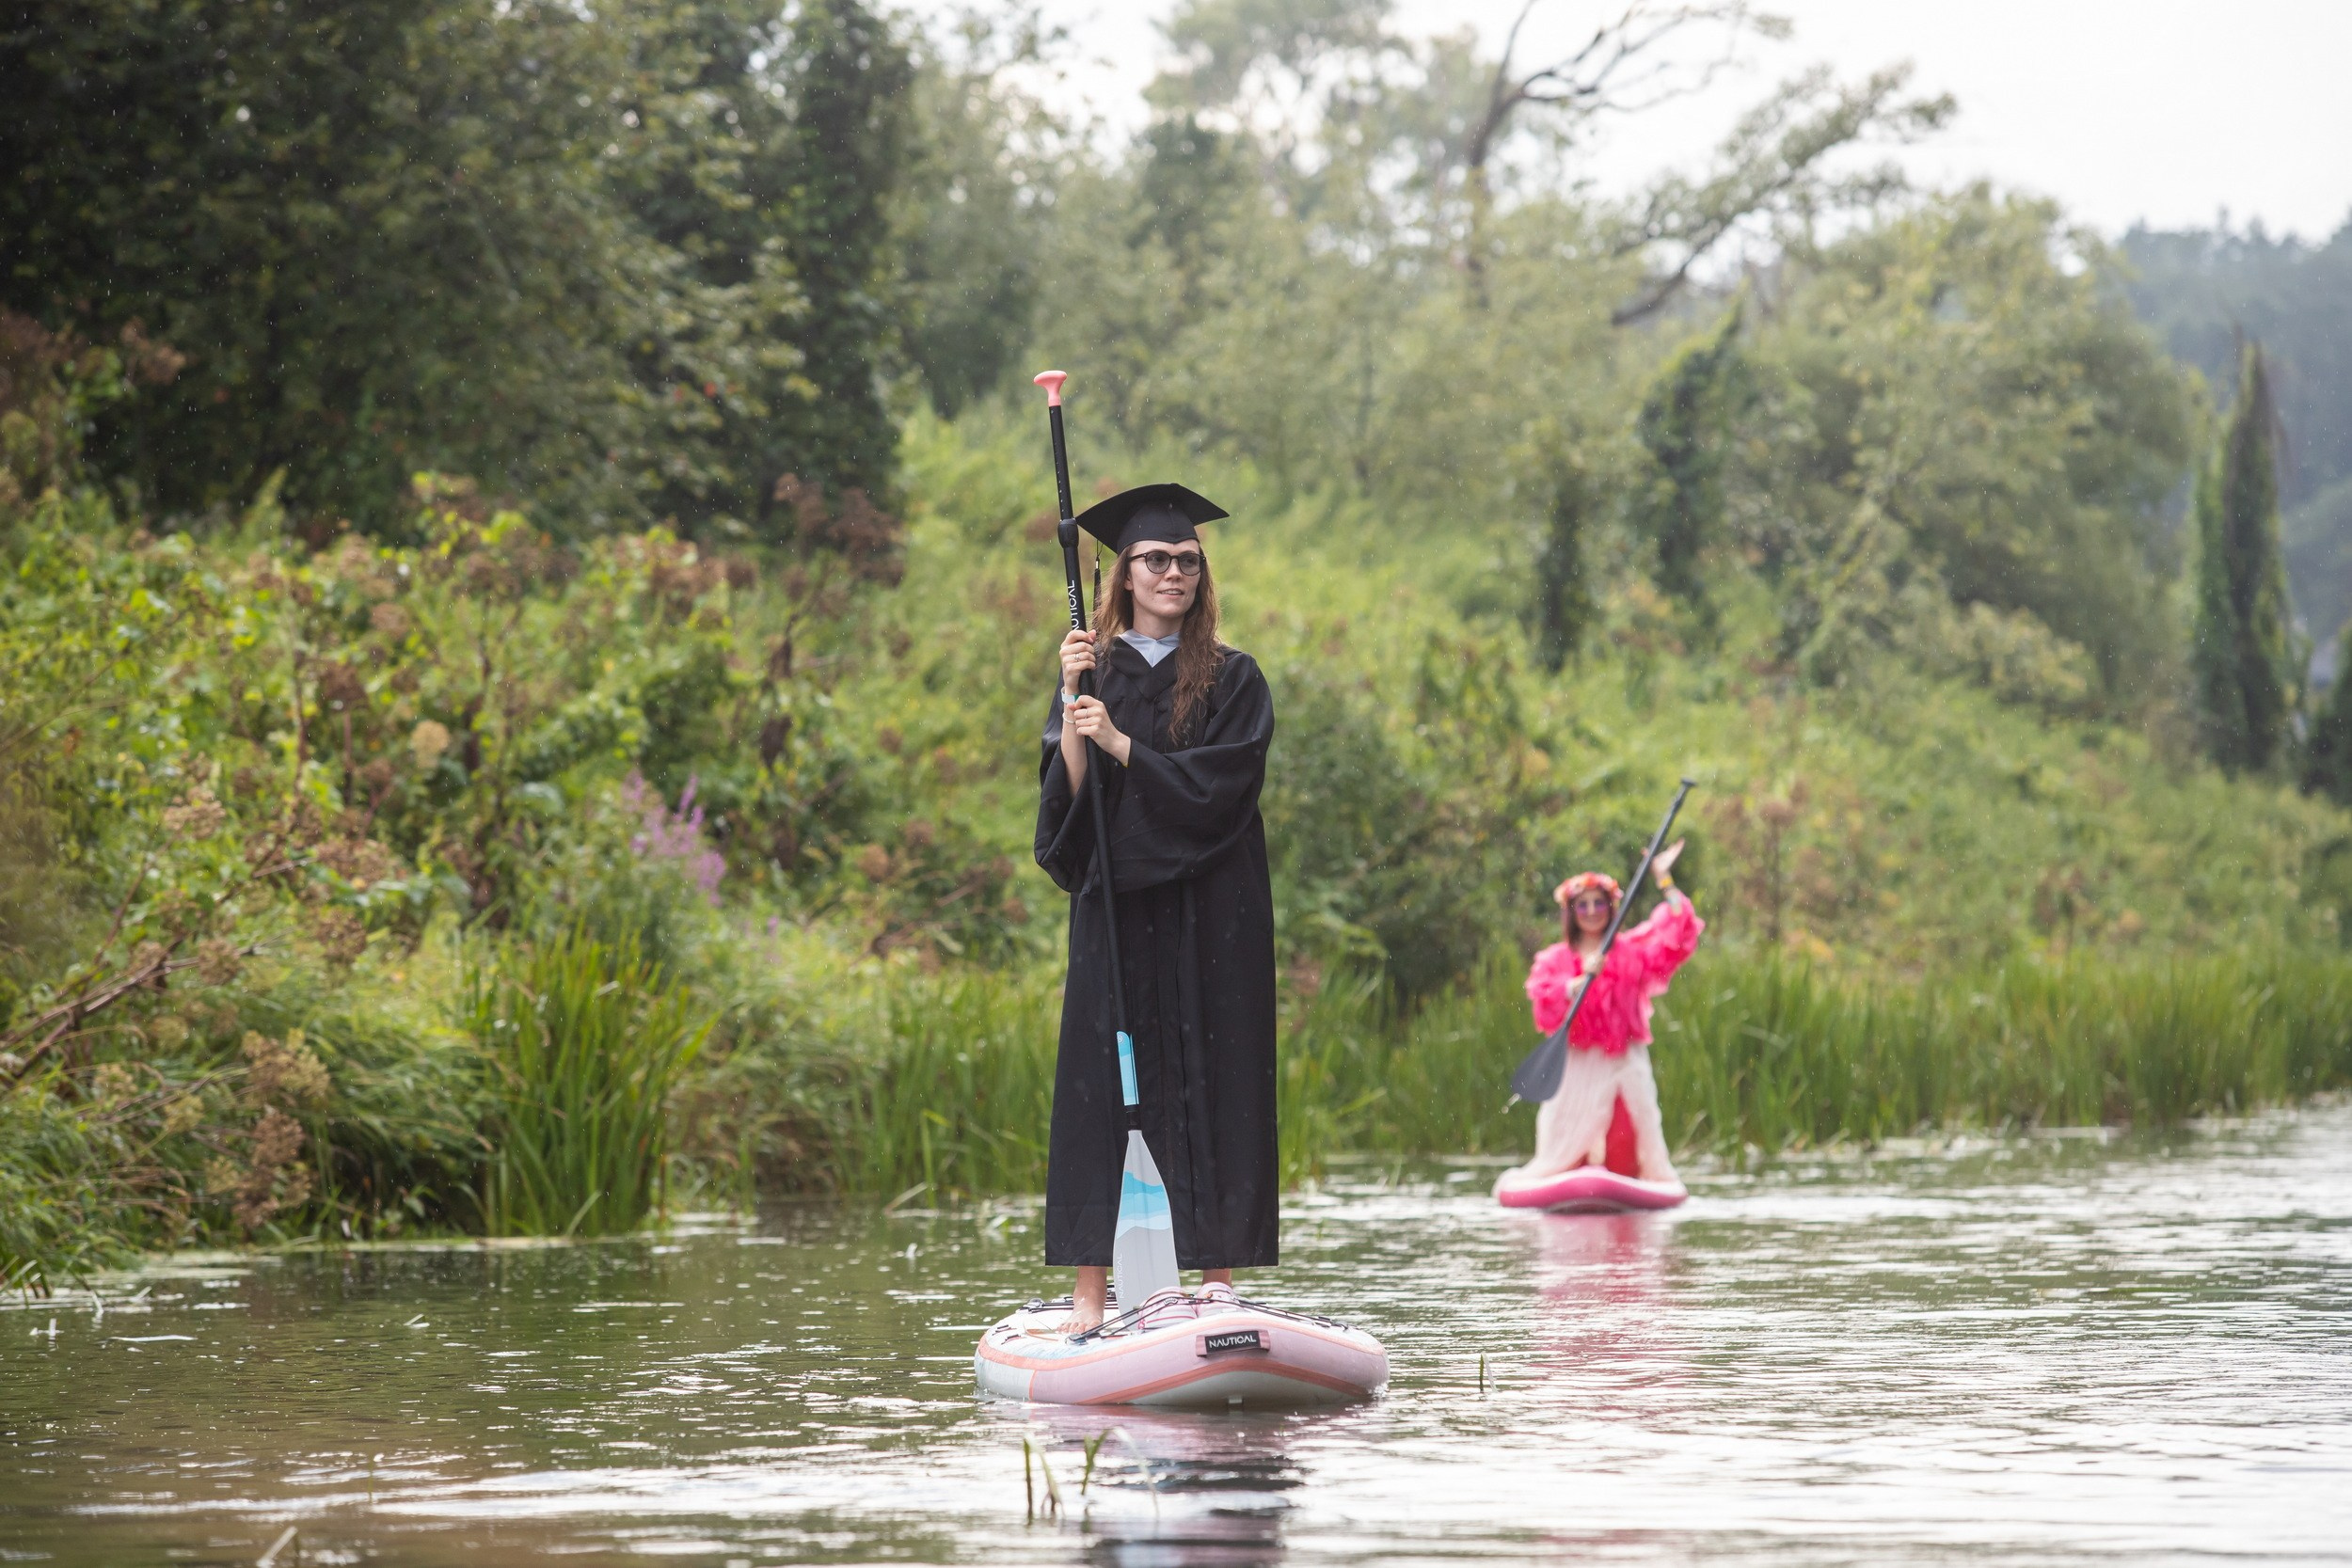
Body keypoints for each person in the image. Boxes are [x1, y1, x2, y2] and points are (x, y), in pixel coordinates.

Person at [1036, 483, 1279, 1333]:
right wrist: (1075, 722)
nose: (1172, 571)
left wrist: (1122, 744)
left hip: (1214, 906)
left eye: (1186, 559)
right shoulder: (1090, 669)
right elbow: (1064, 808)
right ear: (1124, 573)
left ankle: (1214, 1276)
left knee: (1218, 1073)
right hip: (1119, 906)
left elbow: (1226, 788)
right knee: (1102, 1083)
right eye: (1154, 559)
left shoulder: (1234, 677)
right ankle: (1092, 1292)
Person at [1500, 842, 1702, 1190]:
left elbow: (1678, 935)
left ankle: (1627, 1187)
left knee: (1624, 1143)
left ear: (1610, 908)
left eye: (1599, 903)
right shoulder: (1554, 961)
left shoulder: (1632, 951)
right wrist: (1573, 986)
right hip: (1577, 1065)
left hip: (1625, 1065)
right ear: (1572, 911)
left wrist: (1664, 879)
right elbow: (1543, 1006)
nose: (1592, 911)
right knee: (1568, 1149)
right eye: (1583, 905)